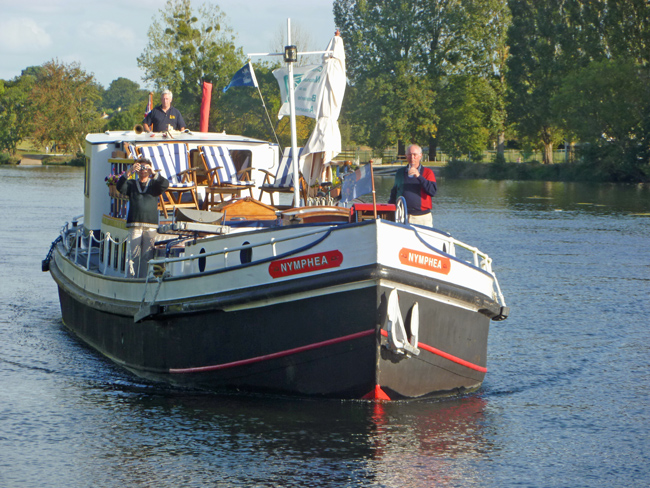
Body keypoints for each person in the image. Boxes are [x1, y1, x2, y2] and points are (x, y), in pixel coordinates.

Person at [116, 158, 169, 278]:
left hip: (150, 225)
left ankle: (143, 280)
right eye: (140, 168)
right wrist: (129, 172)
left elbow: (165, 184)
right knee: (133, 255)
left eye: (145, 168)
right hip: (135, 224)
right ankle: (131, 279)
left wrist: (154, 173)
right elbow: (120, 187)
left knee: (147, 255)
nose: (143, 170)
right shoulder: (131, 184)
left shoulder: (154, 185)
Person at [388, 144, 437, 226]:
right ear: (406, 156)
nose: (412, 157)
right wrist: (390, 211)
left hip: (422, 217)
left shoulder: (428, 172)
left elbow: (432, 191)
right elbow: (394, 193)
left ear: (420, 156)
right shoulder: (400, 173)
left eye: (415, 155)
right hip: (402, 216)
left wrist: (419, 176)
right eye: (409, 155)